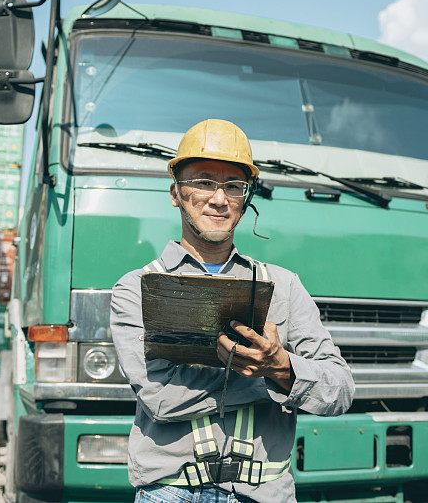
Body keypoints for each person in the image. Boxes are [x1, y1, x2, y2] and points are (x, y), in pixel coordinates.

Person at [110, 119, 354, 503]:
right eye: (203, 182)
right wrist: (275, 381)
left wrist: (281, 366)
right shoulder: (136, 288)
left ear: (247, 197)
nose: (219, 199)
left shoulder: (285, 285)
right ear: (176, 193)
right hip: (171, 493)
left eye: (233, 186)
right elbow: (159, 398)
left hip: (264, 494)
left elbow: (339, 390)